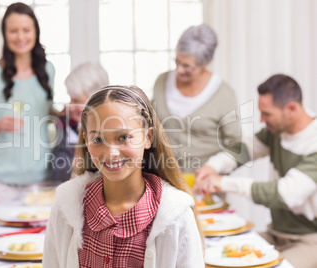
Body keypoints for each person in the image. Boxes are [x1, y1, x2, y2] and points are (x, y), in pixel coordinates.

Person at [43, 85, 204, 267]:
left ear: (148, 137)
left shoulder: (177, 217)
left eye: (123, 137)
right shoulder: (64, 209)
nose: (111, 153)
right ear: (86, 141)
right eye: (97, 139)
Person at [196, 74, 317, 268]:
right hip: (275, 234)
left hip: (309, 241)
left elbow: (286, 194)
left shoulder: (313, 142)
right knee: (216, 254)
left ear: (292, 109)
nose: (262, 120)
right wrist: (213, 166)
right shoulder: (277, 131)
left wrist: (223, 182)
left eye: (267, 114)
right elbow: (245, 149)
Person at [0, 2, 55, 205]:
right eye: (13, 31)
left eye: (26, 30)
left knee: (39, 236)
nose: (20, 37)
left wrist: (62, 114)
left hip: (40, 176)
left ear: (35, 32)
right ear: (4, 34)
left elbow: (43, 113)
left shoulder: (48, 70)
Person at [152, 24, 241, 172]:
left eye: (187, 66)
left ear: (205, 64)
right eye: (177, 61)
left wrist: (215, 170)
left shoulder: (224, 94)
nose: (179, 69)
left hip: (204, 184)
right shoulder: (161, 82)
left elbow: (236, 145)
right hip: (165, 177)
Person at [49, 62, 109, 183]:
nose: (70, 106)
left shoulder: (112, 128)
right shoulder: (67, 125)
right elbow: (57, 174)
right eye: (70, 98)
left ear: (96, 99)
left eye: (76, 100)